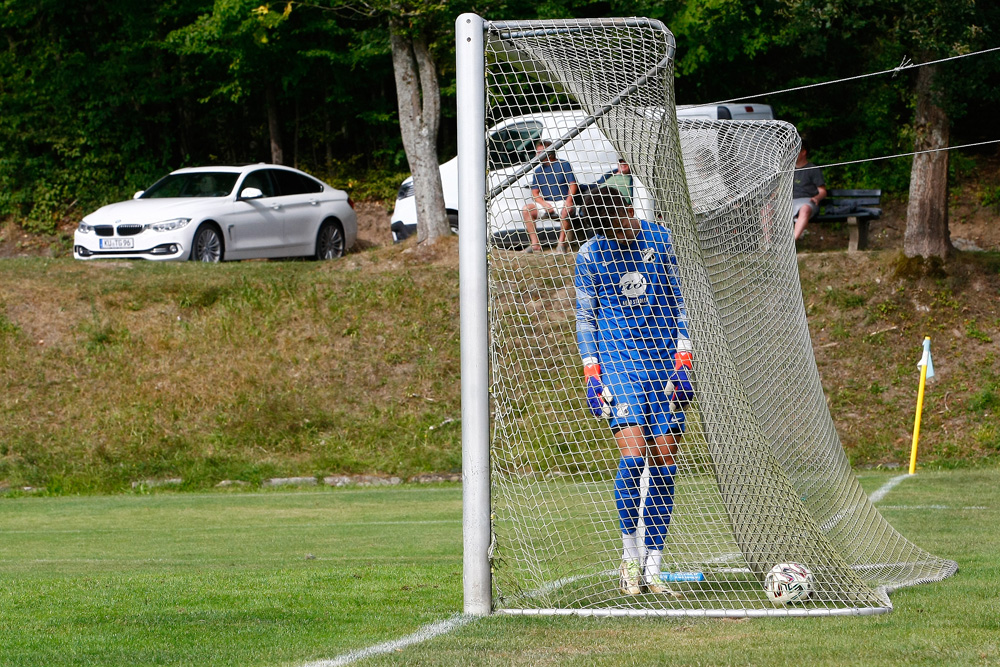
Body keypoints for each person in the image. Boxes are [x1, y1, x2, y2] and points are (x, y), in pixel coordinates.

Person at [574, 186, 694, 597]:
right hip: (620, 365)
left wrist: (685, 360)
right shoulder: (590, 255)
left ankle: (654, 566)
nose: (617, 233)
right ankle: (628, 558)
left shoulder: (662, 239)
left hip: (664, 365)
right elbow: (585, 318)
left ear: (628, 210)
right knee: (635, 454)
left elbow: (684, 305)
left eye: (620, 223)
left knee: (664, 462)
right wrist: (592, 373)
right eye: (607, 230)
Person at [522, 140, 578, 253]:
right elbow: (535, 193)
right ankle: (535, 245)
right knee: (526, 209)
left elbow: (572, 185)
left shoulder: (564, 165)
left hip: (562, 201)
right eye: (537, 152)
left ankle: (561, 244)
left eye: (540, 152)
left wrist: (569, 200)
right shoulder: (538, 171)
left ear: (549, 152)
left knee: (567, 209)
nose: (537, 155)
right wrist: (544, 204)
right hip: (547, 203)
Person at [791, 138, 826, 240]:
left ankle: (792, 241)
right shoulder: (788, 170)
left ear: (803, 152)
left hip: (807, 202)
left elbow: (823, 191)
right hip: (789, 202)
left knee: (805, 209)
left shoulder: (813, 169)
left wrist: (817, 198)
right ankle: (769, 246)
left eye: (794, 150)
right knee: (767, 208)